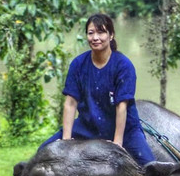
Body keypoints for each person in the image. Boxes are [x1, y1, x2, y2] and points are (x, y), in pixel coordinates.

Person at [40, 13, 156, 164]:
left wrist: (117, 143)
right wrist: (66, 140)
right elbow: (70, 103)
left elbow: (122, 106)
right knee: (43, 151)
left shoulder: (123, 65)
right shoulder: (78, 64)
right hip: (88, 127)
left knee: (149, 167)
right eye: (91, 33)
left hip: (124, 130)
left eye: (101, 32)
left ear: (111, 35)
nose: (95, 37)